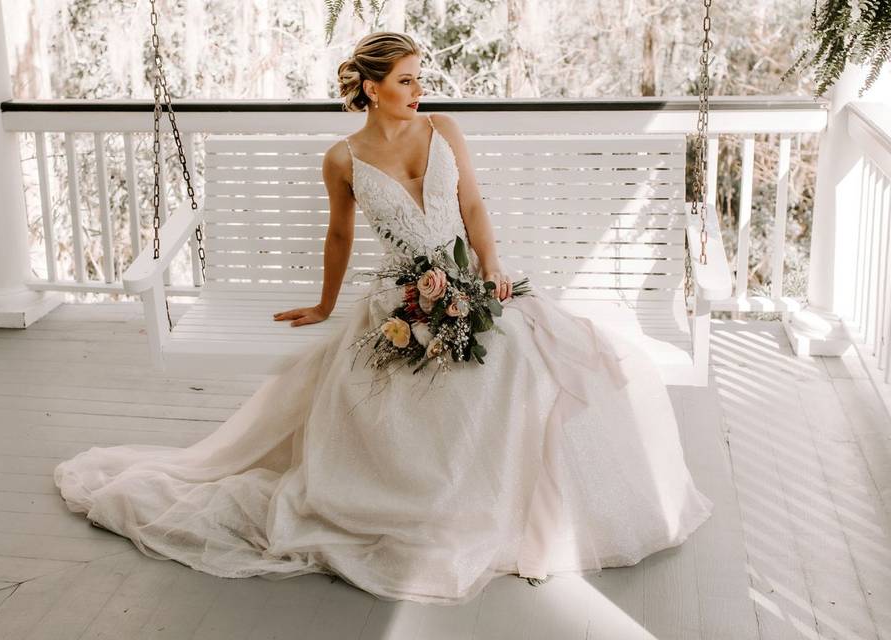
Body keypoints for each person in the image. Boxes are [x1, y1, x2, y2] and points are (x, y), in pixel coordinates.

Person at [54, 31, 713, 607]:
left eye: (421, 78)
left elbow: (474, 205)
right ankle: (424, 503)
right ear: (371, 88)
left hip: (473, 282)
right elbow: (339, 239)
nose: (418, 89)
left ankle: (506, 504)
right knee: (415, 376)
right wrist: (321, 302)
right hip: (400, 300)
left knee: (519, 359)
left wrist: (490, 268)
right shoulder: (342, 159)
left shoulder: (444, 129)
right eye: (405, 81)